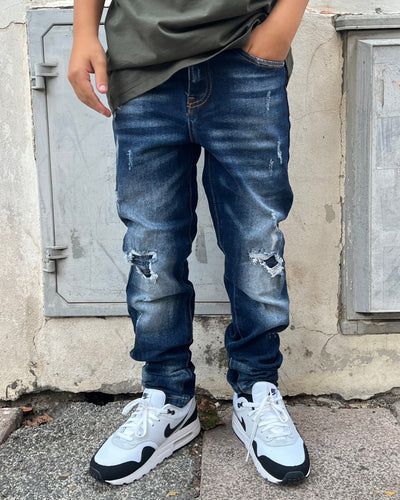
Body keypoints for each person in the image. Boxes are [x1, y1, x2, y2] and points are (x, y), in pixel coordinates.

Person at [68, 0, 310, 486]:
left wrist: (277, 32)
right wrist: (83, 32)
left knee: (257, 245)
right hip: (142, 63)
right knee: (150, 249)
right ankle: (168, 399)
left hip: (245, 57)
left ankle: (257, 389)